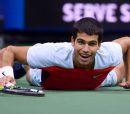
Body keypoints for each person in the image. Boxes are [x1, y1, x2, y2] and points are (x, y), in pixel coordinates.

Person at [0, 17, 129, 89]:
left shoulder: (108, 53)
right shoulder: (53, 53)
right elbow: (9, 50)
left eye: (92, 44)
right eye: (80, 42)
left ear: (100, 44)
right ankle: (25, 65)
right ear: (72, 41)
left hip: (95, 80)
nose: (85, 49)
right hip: (51, 79)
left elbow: (128, 42)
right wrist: (6, 75)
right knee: (31, 74)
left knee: (117, 74)